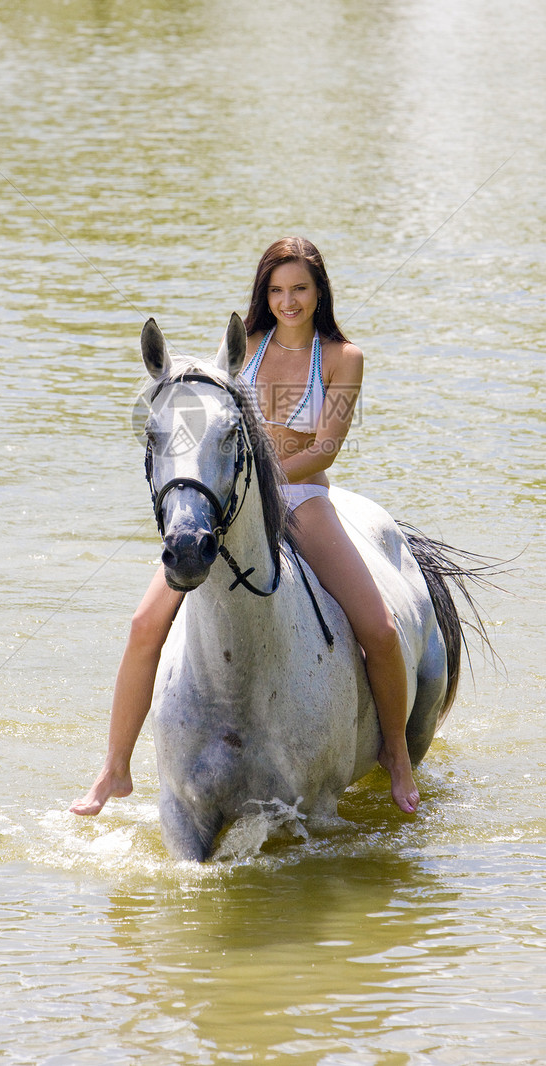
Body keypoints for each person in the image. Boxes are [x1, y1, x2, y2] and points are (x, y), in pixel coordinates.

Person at [70, 237, 419, 818]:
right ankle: (114, 770)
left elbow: (326, 449)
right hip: (234, 505)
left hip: (302, 498)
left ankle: (398, 759)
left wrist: (265, 475)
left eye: (300, 289)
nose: (288, 301)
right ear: (264, 294)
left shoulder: (341, 358)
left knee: (380, 628)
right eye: (277, 289)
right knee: (142, 623)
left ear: (319, 292)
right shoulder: (245, 347)